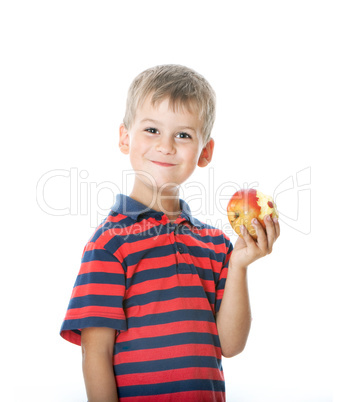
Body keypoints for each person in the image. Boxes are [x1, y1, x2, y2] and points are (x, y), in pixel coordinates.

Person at [60, 64, 280, 401]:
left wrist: (239, 265)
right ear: (124, 138)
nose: (165, 146)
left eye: (183, 135)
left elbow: (230, 345)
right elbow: (96, 354)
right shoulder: (110, 243)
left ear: (204, 152)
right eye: (151, 129)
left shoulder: (217, 245)